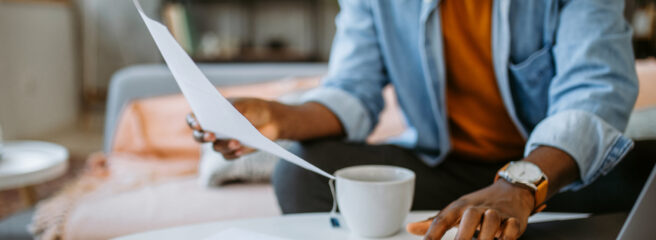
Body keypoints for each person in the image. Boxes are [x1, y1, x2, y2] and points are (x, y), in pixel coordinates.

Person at [187, 0, 640, 239]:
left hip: (554, 174)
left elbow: (593, 91)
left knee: (644, 179)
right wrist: (280, 118)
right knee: (300, 176)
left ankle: (507, 220)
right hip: (449, 172)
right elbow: (352, 92)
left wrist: (517, 188)